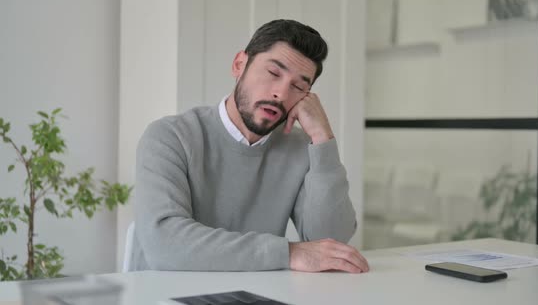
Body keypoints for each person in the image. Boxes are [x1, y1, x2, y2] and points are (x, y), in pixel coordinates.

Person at [129, 19, 369, 274]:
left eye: (298, 86)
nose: (281, 93)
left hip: (256, 293)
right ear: (239, 65)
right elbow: (165, 244)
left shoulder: (300, 147)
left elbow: (331, 244)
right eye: (274, 73)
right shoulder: (170, 137)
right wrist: (288, 253)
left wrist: (323, 138)